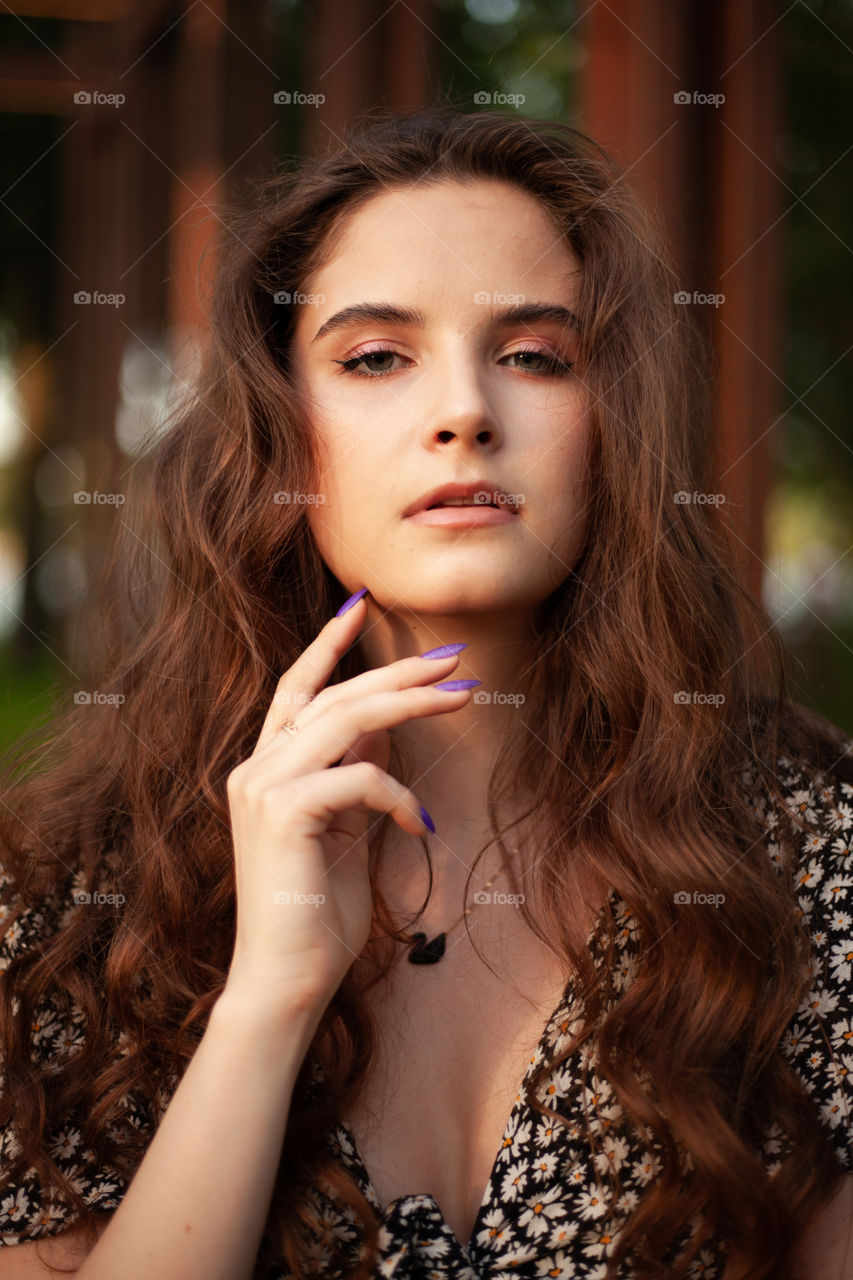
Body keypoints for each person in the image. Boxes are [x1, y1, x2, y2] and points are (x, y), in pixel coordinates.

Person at [0, 103, 850, 1280]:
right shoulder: (68, 890)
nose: (463, 412)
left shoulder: (806, 845)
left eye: (534, 355)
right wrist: (269, 998)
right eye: (375, 357)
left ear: (613, 424)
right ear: (281, 433)